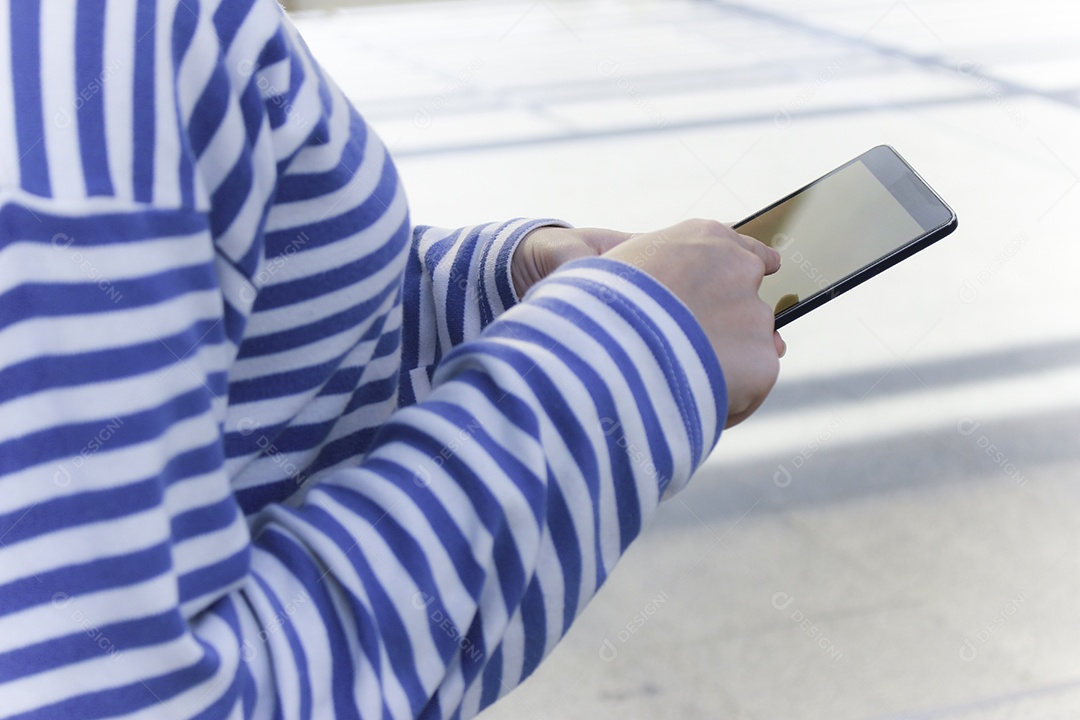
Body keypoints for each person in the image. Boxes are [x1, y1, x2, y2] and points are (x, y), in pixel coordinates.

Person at [0, 1, 783, 718]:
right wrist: (623, 356)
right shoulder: (90, 60)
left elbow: (223, 345)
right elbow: (113, 697)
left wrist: (484, 293)